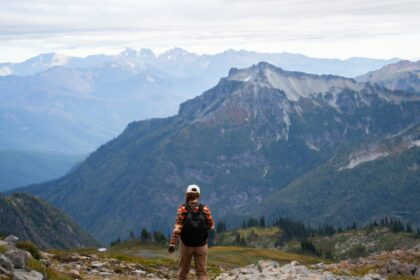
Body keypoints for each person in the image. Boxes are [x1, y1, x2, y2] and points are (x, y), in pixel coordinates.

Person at [168, 184, 215, 280]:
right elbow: (211, 226)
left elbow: (178, 227)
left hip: (186, 245)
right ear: (198, 195)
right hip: (201, 245)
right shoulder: (204, 209)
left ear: (187, 195)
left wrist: (172, 244)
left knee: (183, 272)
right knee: (201, 272)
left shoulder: (182, 208)